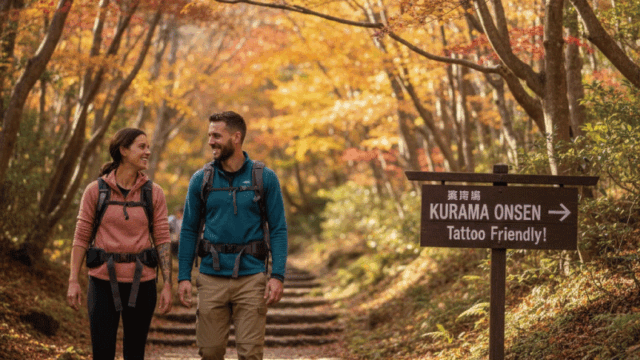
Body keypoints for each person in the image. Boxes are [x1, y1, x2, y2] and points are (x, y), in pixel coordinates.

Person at [178, 111, 288, 360]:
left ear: (236, 137)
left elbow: (278, 229)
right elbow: (189, 230)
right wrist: (183, 276)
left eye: (217, 135)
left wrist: (277, 275)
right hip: (210, 277)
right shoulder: (201, 179)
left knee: (250, 354)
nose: (211, 141)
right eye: (209, 135)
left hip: (251, 278)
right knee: (210, 352)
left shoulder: (265, 178)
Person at [67, 128, 173, 360]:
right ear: (123, 151)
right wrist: (73, 279)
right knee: (102, 353)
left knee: (135, 354)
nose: (148, 151)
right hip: (102, 282)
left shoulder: (154, 193)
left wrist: (167, 285)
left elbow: (163, 240)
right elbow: (81, 236)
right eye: (141, 147)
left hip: (142, 283)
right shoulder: (96, 191)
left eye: (148, 146)